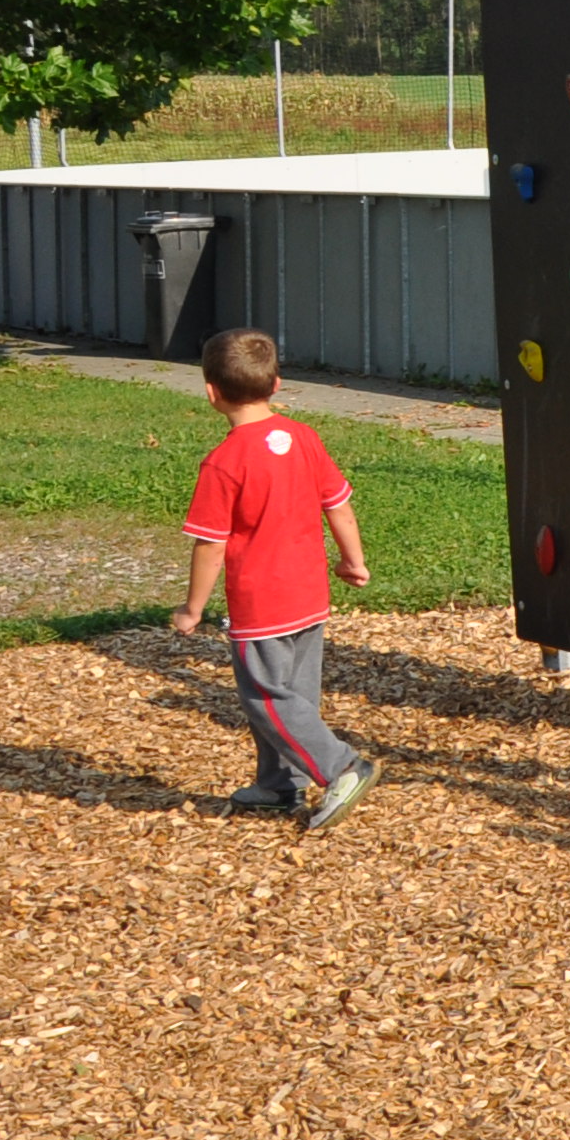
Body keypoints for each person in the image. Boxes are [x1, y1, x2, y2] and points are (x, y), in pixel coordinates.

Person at [171, 328, 377, 832]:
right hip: (309, 594)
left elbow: (210, 545)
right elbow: (338, 506)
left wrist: (193, 609)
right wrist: (353, 561)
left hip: (261, 603)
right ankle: (279, 785)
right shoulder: (305, 438)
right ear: (277, 384)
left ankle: (342, 767)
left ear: (211, 392)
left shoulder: (223, 463)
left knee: (265, 696)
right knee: (295, 697)